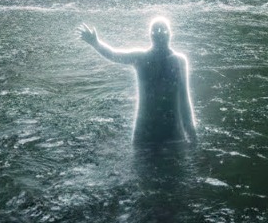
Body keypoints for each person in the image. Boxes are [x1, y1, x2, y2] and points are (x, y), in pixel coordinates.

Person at [79, 17, 198, 145]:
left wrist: (192, 134)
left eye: (162, 31)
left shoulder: (176, 61)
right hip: (156, 131)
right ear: (151, 36)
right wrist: (95, 43)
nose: (159, 34)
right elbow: (114, 54)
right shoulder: (143, 58)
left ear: (170, 33)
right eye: (156, 31)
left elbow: (185, 100)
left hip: (158, 131)